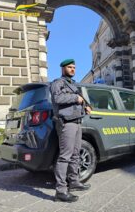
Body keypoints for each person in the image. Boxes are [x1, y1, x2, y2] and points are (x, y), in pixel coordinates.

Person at [50, 58, 92, 202]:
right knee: (65, 156)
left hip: (77, 122)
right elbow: (58, 99)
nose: (73, 69)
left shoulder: (73, 84)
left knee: (76, 154)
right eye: (70, 67)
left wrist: (87, 105)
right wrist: (76, 98)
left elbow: (81, 100)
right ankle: (60, 191)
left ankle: (73, 182)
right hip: (66, 123)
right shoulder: (58, 83)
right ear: (63, 69)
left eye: (74, 67)